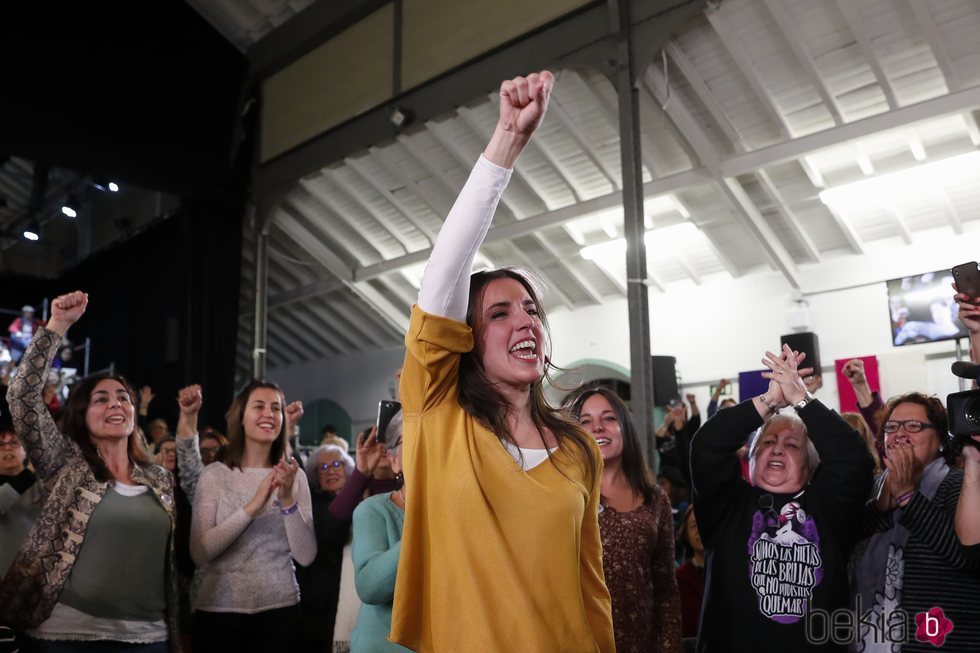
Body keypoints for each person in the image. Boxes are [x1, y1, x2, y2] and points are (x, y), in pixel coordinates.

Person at [389, 70, 614, 653]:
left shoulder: (578, 448)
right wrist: (505, 148)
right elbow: (444, 273)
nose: (525, 321)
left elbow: (591, 587)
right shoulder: (439, 415)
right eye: (498, 313)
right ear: (465, 338)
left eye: (532, 309)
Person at [0, 291, 178, 651]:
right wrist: (58, 326)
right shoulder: (63, 461)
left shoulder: (159, 478)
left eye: (123, 397)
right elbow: (22, 397)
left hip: (149, 638)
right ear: (82, 414)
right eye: (102, 398)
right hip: (67, 636)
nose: (116, 402)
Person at [690, 345, 873, 652]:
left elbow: (855, 460)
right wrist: (770, 401)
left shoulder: (829, 509)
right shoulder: (727, 506)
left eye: (792, 445)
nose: (777, 449)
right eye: (769, 442)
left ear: (812, 464)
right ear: (750, 459)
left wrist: (801, 399)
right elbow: (707, 445)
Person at [188, 380, 316, 653]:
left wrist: (286, 500)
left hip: (280, 611)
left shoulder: (295, 477)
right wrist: (251, 509)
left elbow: (306, 555)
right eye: (259, 407)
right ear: (241, 418)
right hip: (219, 613)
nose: (269, 414)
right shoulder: (215, 475)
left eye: (276, 408)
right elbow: (199, 551)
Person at [852, 393, 980, 651]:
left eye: (914, 426)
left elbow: (967, 559)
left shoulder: (960, 484)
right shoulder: (872, 489)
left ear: (941, 440)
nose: (900, 434)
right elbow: (849, 546)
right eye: (891, 427)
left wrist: (909, 497)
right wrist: (880, 505)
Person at [567, 386, 681, 653]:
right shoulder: (564, 495)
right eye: (586, 421)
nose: (597, 428)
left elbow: (666, 590)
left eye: (608, 418)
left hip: (641, 643)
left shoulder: (654, 499)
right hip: (580, 642)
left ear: (625, 427)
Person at [351, 415, 410, 653]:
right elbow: (369, 587)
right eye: (414, 437)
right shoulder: (374, 510)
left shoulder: (464, 510)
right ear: (394, 460)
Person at [297, 443, 356, 653]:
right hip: (321, 601)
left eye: (336, 464)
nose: (330, 470)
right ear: (316, 477)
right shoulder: (314, 506)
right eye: (322, 468)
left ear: (348, 469)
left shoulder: (364, 499)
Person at [0, 425, 43, 580]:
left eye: (14, 443)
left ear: (26, 451)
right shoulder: (31, 475)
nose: (7, 448)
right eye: (0, 445)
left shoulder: (43, 483)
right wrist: (30, 472)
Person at [674, 505, 705, 643]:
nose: (699, 531)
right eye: (693, 526)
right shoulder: (679, 578)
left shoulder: (730, 576)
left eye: (703, 523)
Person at [656, 394, 700, 488]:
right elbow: (657, 441)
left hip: (682, 475)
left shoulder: (688, 427)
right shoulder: (666, 429)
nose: (676, 412)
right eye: (674, 409)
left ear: (684, 411)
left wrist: (692, 403)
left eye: (679, 409)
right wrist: (666, 423)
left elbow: (696, 418)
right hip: (666, 476)